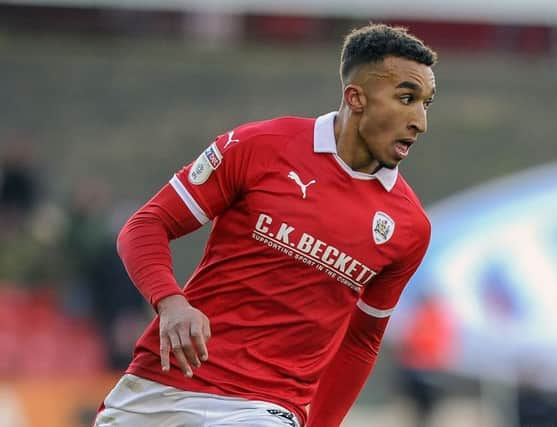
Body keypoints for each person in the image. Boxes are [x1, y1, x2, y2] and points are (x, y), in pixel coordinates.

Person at [95, 23, 437, 427]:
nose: (419, 121)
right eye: (406, 98)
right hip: (162, 384)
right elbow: (146, 225)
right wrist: (170, 302)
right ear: (355, 97)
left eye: (426, 104)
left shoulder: (408, 226)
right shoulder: (259, 147)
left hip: (264, 408)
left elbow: (361, 341)